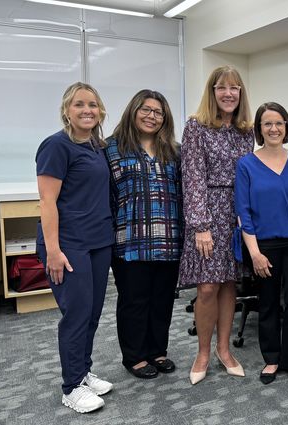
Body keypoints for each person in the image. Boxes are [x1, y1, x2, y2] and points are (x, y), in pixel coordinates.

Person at [36, 82, 114, 413]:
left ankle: (82, 371)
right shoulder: (56, 146)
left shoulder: (97, 146)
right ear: (67, 110)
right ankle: (71, 388)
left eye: (93, 105)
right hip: (68, 244)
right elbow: (47, 202)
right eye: (80, 104)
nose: (87, 110)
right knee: (76, 314)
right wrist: (53, 250)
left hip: (97, 241)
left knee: (93, 313)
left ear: (101, 111)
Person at [234, 102, 288, 385]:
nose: (274, 128)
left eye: (279, 123)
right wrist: (254, 253)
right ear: (260, 129)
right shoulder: (247, 164)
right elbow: (243, 212)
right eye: (268, 123)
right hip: (266, 245)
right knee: (269, 303)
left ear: (287, 127)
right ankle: (272, 360)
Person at [179, 66, 254, 385]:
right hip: (207, 213)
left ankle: (225, 351)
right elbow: (192, 176)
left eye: (235, 88)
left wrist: (248, 217)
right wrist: (200, 225)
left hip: (236, 215)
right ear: (212, 92)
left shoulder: (246, 130)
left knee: (228, 285)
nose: (228, 93)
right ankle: (203, 353)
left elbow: (251, 175)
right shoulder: (196, 127)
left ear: (241, 94)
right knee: (207, 286)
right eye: (222, 88)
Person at [105, 90, 183, 379]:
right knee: (134, 300)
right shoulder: (111, 148)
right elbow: (106, 197)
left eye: (158, 112)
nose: (152, 116)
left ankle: (157, 351)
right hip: (129, 241)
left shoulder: (174, 150)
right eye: (146, 109)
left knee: (162, 299)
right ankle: (135, 356)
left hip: (168, 239)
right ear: (133, 111)